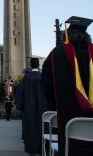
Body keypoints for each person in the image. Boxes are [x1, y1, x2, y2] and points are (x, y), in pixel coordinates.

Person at [42, 16, 93, 156]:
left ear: (68, 34)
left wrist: (59, 102)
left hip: (68, 120)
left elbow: (47, 87)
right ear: (87, 35)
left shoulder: (57, 53)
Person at [21, 57, 47, 156]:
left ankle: (31, 151)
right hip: (42, 107)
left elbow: (21, 92)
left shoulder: (26, 77)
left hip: (29, 108)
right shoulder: (42, 77)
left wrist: (22, 105)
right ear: (38, 65)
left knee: (30, 128)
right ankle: (41, 149)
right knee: (41, 127)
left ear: (31, 65)